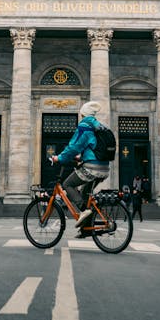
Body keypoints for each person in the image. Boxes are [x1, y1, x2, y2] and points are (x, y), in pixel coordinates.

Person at [50, 101, 110, 238]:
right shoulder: (100, 126)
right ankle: (86, 229)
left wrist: (59, 158)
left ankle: (83, 211)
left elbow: (73, 147)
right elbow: (93, 147)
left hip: (92, 168)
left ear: (83, 114)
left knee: (67, 184)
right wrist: (81, 157)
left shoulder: (84, 126)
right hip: (104, 168)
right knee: (85, 194)